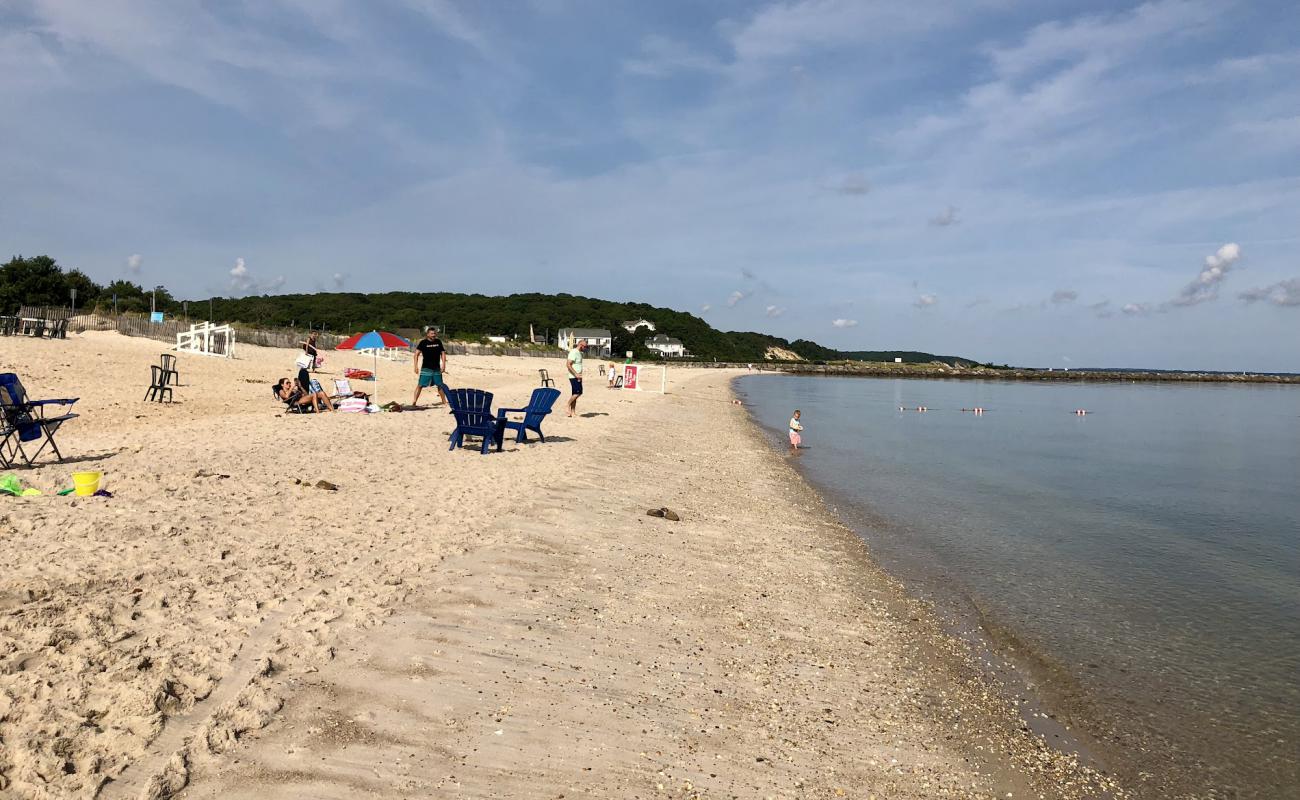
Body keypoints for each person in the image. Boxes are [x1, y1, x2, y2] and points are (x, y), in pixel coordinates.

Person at [412, 326, 448, 407]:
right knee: (420, 385)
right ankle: (414, 402)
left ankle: (444, 402)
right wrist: (415, 366)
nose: (433, 335)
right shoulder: (423, 343)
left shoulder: (438, 342)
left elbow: (442, 353)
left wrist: (444, 365)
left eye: (434, 333)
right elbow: (416, 354)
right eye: (432, 334)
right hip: (426, 368)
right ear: (427, 334)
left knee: (440, 385)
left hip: (436, 368)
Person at [566, 340, 587, 417]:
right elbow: (568, 364)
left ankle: (573, 412)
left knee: (574, 393)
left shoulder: (580, 353)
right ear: (581, 345)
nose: (585, 348)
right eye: (585, 347)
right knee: (578, 392)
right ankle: (567, 405)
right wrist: (576, 374)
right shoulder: (574, 352)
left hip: (578, 376)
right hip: (573, 376)